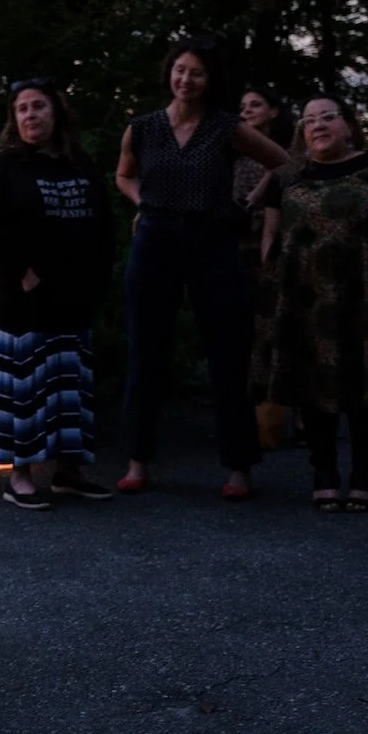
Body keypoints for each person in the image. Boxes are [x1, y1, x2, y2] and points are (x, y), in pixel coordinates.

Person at [114, 36, 290, 499]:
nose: (186, 79)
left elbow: (283, 163)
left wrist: (252, 199)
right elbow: (124, 174)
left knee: (228, 354)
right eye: (180, 70)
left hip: (213, 241)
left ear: (210, 80)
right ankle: (137, 461)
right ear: (169, 73)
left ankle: (238, 468)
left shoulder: (226, 127)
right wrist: (142, 203)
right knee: (145, 352)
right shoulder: (142, 127)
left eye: (196, 72)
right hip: (155, 241)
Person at [251, 95, 368, 511]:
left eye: (328, 117)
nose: (318, 125)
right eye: (309, 120)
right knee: (313, 386)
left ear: (348, 125)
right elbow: (271, 236)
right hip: (305, 300)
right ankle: (324, 473)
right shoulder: (287, 175)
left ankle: (365, 474)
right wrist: (274, 287)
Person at [0, 79, 115, 510]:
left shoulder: (79, 164)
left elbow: (103, 223)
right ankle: (19, 475)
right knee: (26, 389)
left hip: (74, 297)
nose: (30, 115)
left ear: (56, 113)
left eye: (38, 106)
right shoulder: (9, 168)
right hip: (26, 301)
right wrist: (24, 270)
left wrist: (98, 276)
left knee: (70, 388)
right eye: (22, 109)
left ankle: (68, 472)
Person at [234, 86, 296, 450]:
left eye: (255, 105)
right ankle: (255, 421)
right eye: (242, 106)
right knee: (248, 335)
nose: (246, 111)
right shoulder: (233, 153)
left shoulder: (289, 154)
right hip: (239, 250)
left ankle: (296, 417)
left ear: (273, 111)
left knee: (283, 332)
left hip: (278, 248)